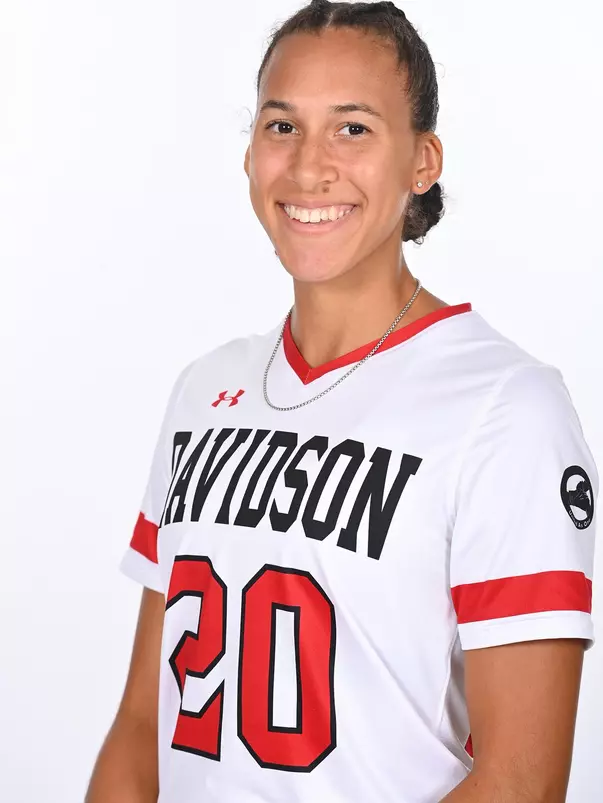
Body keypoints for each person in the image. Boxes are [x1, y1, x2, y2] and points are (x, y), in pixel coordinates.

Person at [85, 1, 598, 801]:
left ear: (421, 161)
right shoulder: (202, 393)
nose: (308, 167)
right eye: (281, 126)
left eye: (352, 128)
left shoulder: (506, 409)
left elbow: (521, 780)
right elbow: (141, 727)